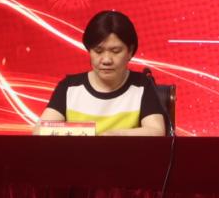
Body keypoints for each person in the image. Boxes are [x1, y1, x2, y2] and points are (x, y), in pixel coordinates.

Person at [38, 10, 167, 136]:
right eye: (98, 51)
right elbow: (40, 131)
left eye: (115, 51)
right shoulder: (69, 87)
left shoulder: (142, 86)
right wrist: (88, 135)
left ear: (130, 51)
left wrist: (115, 136)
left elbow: (156, 131)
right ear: (89, 50)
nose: (106, 60)